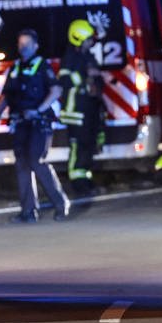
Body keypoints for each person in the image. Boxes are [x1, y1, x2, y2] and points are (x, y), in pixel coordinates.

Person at [0, 28, 70, 223]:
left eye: (26, 44)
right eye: (20, 44)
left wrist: (39, 110)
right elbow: (6, 98)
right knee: (22, 166)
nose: (22, 47)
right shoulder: (14, 68)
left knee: (36, 161)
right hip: (20, 123)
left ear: (35, 46)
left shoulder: (42, 65)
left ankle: (60, 204)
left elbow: (56, 90)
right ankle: (28, 212)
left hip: (39, 123)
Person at [57, 19, 103, 198]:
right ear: (78, 38)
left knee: (89, 145)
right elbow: (65, 80)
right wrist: (85, 80)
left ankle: (85, 177)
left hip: (89, 109)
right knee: (78, 147)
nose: (91, 42)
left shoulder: (88, 57)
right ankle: (77, 182)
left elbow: (97, 79)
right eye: (88, 39)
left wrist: (95, 81)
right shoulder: (70, 58)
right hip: (75, 111)